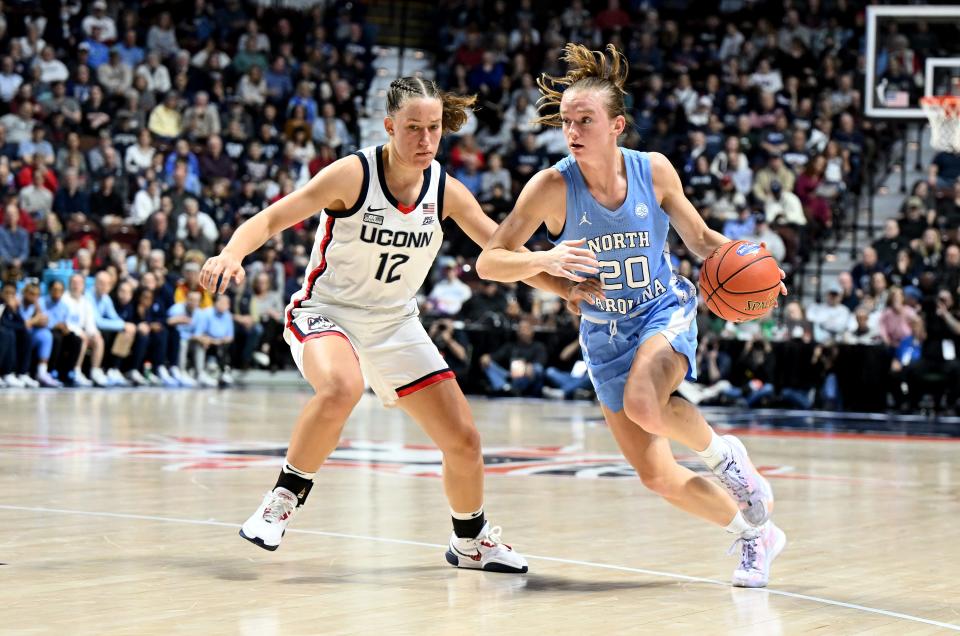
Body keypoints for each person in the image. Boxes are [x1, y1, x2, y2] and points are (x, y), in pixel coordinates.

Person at [200, 77, 597, 572]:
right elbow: (270, 219)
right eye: (413, 128)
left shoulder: (445, 191)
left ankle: (470, 542)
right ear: (389, 126)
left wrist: (564, 288)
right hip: (327, 310)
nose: (426, 140)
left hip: (395, 322)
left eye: (434, 129)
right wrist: (231, 252)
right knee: (342, 386)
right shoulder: (352, 174)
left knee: (464, 440)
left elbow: (500, 253)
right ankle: (284, 496)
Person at [477, 44, 787, 588]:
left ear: (616, 124)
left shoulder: (654, 171)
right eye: (566, 121)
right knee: (657, 476)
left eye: (586, 120)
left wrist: (756, 268)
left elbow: (700, 240)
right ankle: (753, 536)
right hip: (603, 335)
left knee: (647, 401)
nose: (572, 131)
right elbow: (491, 261)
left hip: (663, 310)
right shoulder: (551, 186)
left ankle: (726, 458)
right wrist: (547, 267)